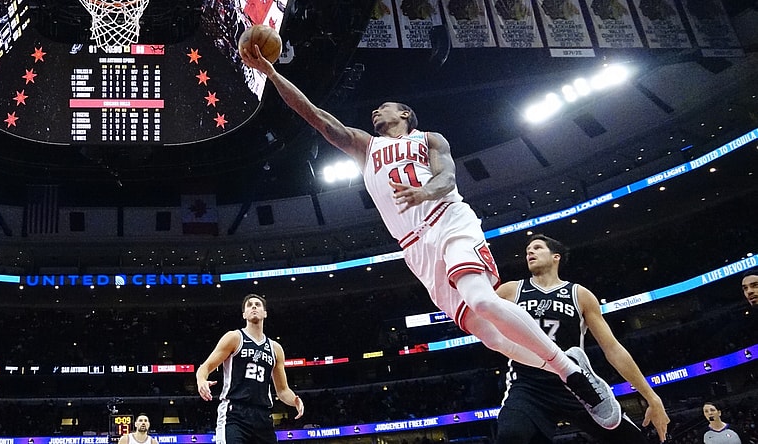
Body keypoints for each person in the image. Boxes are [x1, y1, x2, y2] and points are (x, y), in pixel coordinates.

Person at [240, 45, 621, 429]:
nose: (376, 111)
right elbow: (317, 117)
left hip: (448, 219)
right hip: (415, 248)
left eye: (385, 107)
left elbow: (448, 178)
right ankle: (569, 365)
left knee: (482, 300)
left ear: (405, 114)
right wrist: (272, 74)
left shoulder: (429, 140)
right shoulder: (365, 146)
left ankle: (572, 375)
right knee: (490, 336)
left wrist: (426, 192)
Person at [493, 234, 670, 443]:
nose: (529, 252)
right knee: (511, 436)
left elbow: (613, 348)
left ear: (555, 256)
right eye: (527, 250)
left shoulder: (579, 294)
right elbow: (476, 316)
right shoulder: (511, 290)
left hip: (574, 383)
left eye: (537, 248)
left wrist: (652, 397)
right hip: (527, 384)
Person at [196, 294, 304, 444]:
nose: (254, 306)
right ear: (244, 314)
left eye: (258, 304)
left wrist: (295, 401)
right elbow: (205, 367)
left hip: (263, 415)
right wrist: (201, 380)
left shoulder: (275, 348)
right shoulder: (234, 338)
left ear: (265, 313)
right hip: (235, 412)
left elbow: (282, 390)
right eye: (249, 305)